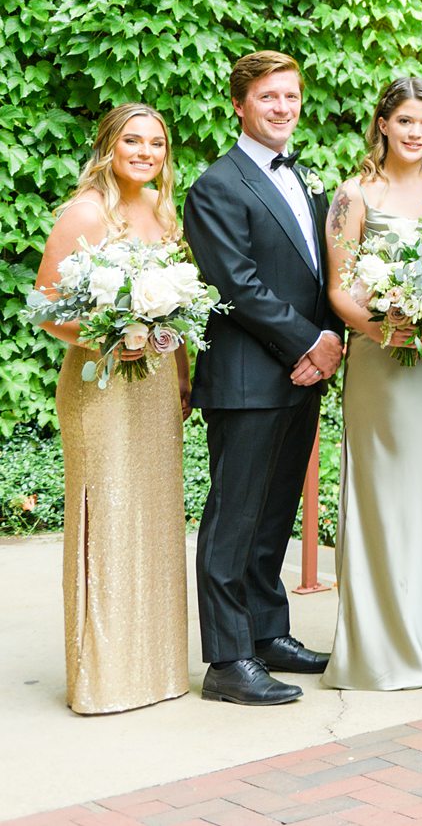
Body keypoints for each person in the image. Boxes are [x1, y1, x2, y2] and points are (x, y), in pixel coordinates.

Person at [183, 51, 338, 707]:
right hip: (248, 377)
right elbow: (237, 285)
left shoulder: (302, 179)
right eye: (269, 96)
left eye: (291, 95)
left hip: (301, 374)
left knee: (273, 513)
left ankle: (269, 633)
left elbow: (323, 269)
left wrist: (333, 336)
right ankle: (227, 657)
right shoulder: (217, 184)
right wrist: (311, 341)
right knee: (234, 520)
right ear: (241, 105)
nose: (282, 107)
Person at [36, 104, 190, 714]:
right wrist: (115, 332)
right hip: (99, 383)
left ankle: (155, 669)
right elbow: (50, 310)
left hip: (152, 384)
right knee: (108, 516)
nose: (146, 152)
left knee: (153, 519)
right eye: (133, 140)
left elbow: (177, 310)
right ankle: (102, 678)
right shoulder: (85, 213)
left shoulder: (160, 209)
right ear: (110, 144)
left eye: (156, 143)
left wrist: (180, 377)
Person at [324, 77, 422, 690]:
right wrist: (389, 332)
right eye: (406, 120)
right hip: (381, 363)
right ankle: (382, 649)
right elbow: (337, 288)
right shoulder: (352, 195)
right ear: (383, 123)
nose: (417, 133)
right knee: (384, 496)